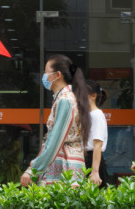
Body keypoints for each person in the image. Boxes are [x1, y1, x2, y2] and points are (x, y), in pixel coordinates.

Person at [21, 54, 90, 186]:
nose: (44, 76)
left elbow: (55, 140)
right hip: (70, 163)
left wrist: (33, 170)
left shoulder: (65, 100)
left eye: (46, 72)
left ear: (57, 75)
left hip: (63, 166)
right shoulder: (69, 97)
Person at [85, 79, 109, 187]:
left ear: (93, 96)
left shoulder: (97, 115)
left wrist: (95, 172)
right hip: (87, 160)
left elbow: (98, 145)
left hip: (93, 161)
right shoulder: (88, 115)